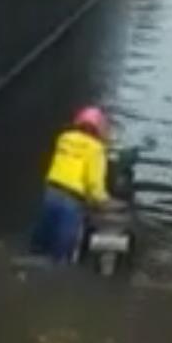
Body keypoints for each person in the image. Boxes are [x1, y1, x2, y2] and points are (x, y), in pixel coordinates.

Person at [30, 106, 112, 263]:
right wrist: (103, 202)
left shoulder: (64, 138)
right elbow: (94, 183)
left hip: (51, 192)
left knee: (43, 232)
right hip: (72, 199)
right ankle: (58, 272)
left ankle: (31, 262)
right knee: (63, 245)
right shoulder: (96, 149)